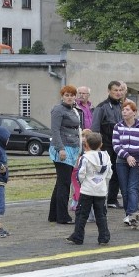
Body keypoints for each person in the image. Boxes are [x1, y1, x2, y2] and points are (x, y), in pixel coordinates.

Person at [66, 131, 112, 245]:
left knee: (81, 214)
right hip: (101, 190)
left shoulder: (85, 158)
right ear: (101, 144)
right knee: (101, 215)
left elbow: (81, 174)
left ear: (86, 144)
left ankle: (78, 236)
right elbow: (109, 173)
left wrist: (82, 184)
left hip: (87, 190)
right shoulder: (106, 156)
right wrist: (103, 184)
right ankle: (104, 237)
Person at [113, 100, 139, 226]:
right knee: (124, 190)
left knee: (132, 188)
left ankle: (132, 215)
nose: (124, 111)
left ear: (134, 112)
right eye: (123, 109)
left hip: (138, 161)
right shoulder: (118, 126)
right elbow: (116, 145)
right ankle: (129, 215)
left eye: (128, 109)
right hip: (122, 161)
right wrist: (127, 156)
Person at [48, 85, 82, 225]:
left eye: (72, 95)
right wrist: (60, 148)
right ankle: (63, 216)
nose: (69, 97)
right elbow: (55, 131)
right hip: (62, 148)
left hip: (72, 147)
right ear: (62, 96)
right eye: (66, 95)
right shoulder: (58, 110)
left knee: (61, 182)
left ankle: (54, 214)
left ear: (75, 97)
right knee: (65, 183)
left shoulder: (73, 110)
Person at [92, 81, 125, 208]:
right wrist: (97, 148)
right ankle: (98, 200)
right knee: (103, 173)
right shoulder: (102, 107)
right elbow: (95, 128)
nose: (118, 93)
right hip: (106, 146)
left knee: (117, 172)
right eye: (115, 90)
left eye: (120, 90)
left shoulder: (122, 106)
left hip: (119, 146)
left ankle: (112, 199)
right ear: (109, 91)